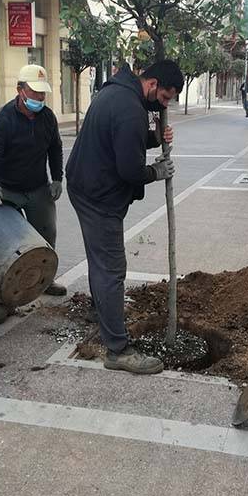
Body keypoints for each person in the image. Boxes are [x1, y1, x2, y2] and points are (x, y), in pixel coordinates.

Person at [66, 60, 182, 375]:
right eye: (165, 98)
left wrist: (156, 136)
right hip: (97, 197)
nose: (164, 105)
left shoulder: (117, 91)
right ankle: (117, 349)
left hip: (85, 185)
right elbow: (129, 169)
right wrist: (156, 171)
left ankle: (101, 312)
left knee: (100, 262)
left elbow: (124, 139)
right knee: (112, 268)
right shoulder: (130, 108)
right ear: (153, 83)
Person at [0, 64, 66, 326]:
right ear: (20, 90)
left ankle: (45, 279)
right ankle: (3, 300)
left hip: (38, 187)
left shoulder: (47, 118)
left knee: (46, 234)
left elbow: (55, 149)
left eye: (43, 94)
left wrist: (57, 178)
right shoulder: (2, 121)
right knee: (7, 246)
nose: (40, 98)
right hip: (7, 190)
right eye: (35, 92)